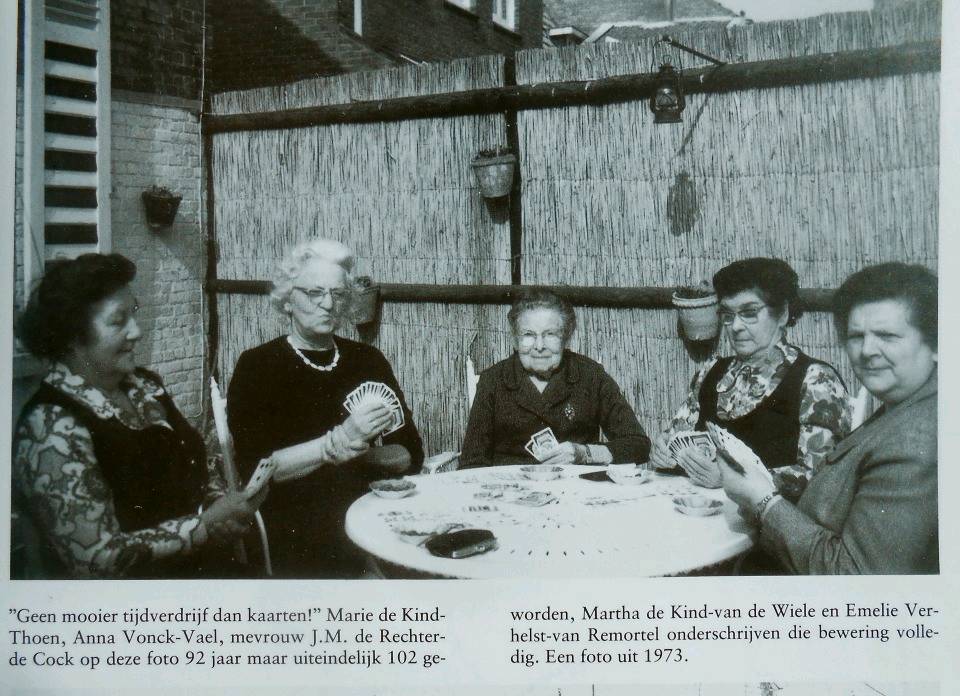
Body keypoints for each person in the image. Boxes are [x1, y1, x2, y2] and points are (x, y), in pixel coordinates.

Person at [12, 254, 261, 579]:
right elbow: (95, 559)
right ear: (72, 336)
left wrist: (218, 509)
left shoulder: (144, 386)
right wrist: (203, 526)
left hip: (199, 573)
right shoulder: (50, 425)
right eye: (118, 322)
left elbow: (189, 468)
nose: (137, 331)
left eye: (134, 313)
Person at [720, 263, 938, 574]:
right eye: (856, 336)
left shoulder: (915, 443)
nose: (867, 350)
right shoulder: (903, 408)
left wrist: (763, 500)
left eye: (887, 336)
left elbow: (854, 577)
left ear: (937, 345)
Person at [227, 239, 424, 578]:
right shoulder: (259, 366)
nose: (329, 304)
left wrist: (358, 455)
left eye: (338, 294)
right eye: (314, 293)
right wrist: (338, 441)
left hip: (372, 508)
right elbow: (257, 470)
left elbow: (410, 453)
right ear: (288, 299)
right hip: (298, 521)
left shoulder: (367, 360)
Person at [649, 258, 851, 501]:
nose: (735, 326)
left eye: (749, 313)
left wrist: (731, 480)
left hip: (776, 520)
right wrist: (664, 451)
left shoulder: (816, 381)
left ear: (783, 313)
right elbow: (676, 438)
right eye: (728, 314)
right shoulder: (711, 373)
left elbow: (822, 477)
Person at [460, 289, 649, 468]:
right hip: (509, 487)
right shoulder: (493, 381)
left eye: (550, 334)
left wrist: (586, 453)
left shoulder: (590, 376)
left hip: (574, 487)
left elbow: (638, 444)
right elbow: (471, 463)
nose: (539, 346)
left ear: (566, 338)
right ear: (515, 340)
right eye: (528, 335)